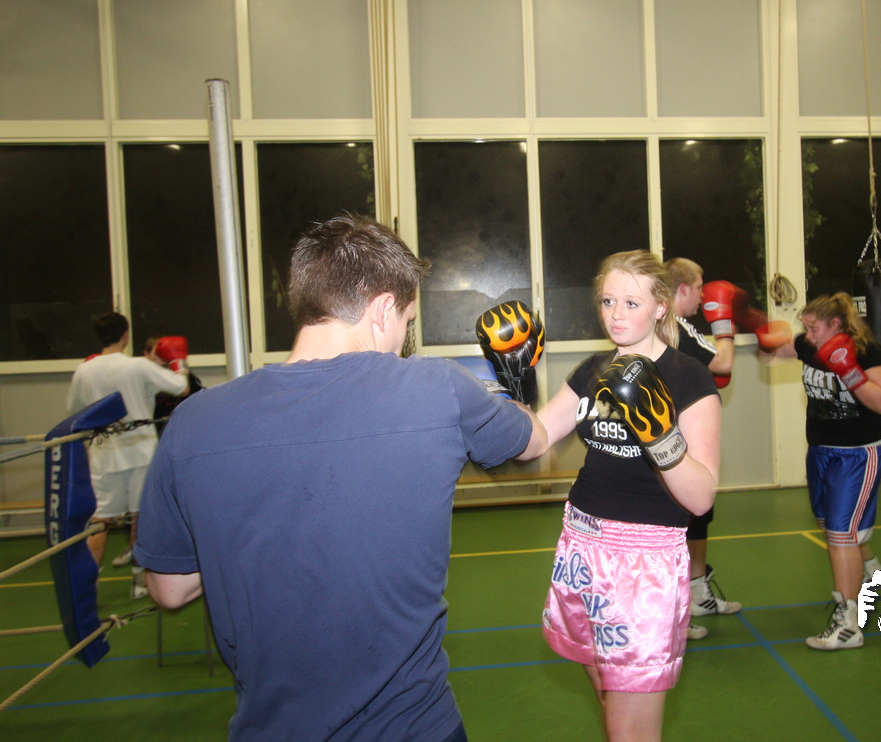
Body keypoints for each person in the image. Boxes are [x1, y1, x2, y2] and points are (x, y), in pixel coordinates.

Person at [134, 213, 548, 742]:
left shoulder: (193, 421)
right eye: (406, 322)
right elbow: (534, 441)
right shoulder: (435, 387)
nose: (403, 339)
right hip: (413, 728)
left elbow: (169, 589)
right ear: (382, 310)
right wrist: (520, 379)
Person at [535, 250, 720, 742]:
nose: (616, 315)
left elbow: (701, 498)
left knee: (629, 727)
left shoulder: (688, 376)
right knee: (608, 698)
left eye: (631, 303)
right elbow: (536, 438)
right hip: (581, 547)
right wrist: (513, 378)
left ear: (661, 307)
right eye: (608, 301)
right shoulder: (593, 369)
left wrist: (661, 437)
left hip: (643, 562)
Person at [762, 292, 881, 650]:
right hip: (820, 451)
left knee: (840, 534)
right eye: (805, 328)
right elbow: (774, 355)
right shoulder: (809, 346)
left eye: (814, 328)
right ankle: (872, 571)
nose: (808, 335)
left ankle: (848, 624)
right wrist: (763, 336)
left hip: (857, 454)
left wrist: (849, 370)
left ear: (836, 324)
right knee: (833, 526)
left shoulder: (868, 352)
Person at [65, 311, 189, 598]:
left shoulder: (85, 370)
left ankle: (88, 588)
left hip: (104, 453)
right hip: (141, 452)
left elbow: (73, 411)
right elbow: (181, 387)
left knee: (100, 521)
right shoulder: (137, 366)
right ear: (125, 335)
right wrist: (177, 362)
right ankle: (139, 582)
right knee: (139, 518)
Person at [665, 258, 741, 641]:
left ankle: (697, 594)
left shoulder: (669, 327)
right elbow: (723, 363)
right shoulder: (675, 326)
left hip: (677, 433)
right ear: (682, 288)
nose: (702, 295)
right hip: (675, 437)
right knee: (677, 520)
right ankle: (675, 613)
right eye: (698, 287)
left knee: (698, 513)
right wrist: (723, 318)